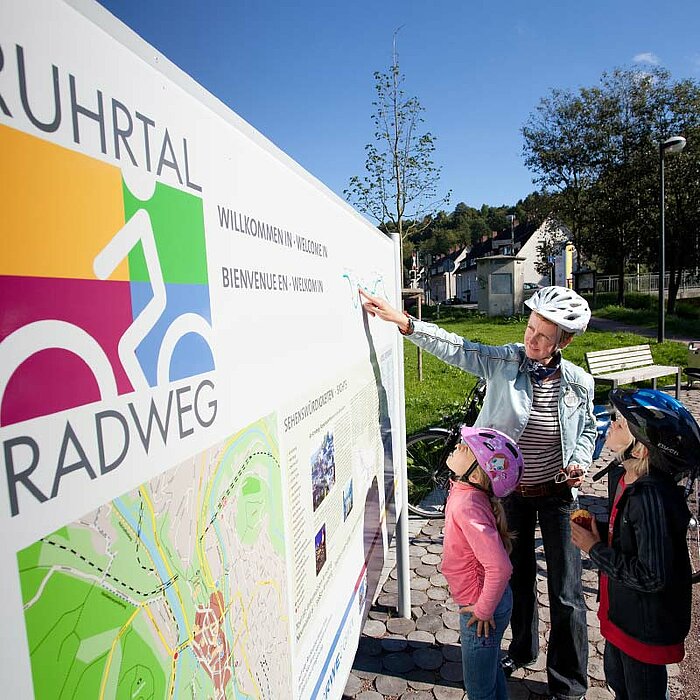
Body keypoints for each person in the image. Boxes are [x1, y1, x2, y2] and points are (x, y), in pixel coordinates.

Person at [360, 285, 595, 700]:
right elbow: (461, 348)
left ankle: (569, 682)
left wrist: (578, 459)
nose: (531, 340)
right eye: (530, 328)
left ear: (566, 341)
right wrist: (408, 324)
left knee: (567, 592)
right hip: (510, 496)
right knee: (518, 578)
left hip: (558, 495)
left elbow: (587, 431)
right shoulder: (507, 363)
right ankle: (522, 650)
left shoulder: (578, 382)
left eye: (543, 336)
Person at [571, 388, 698, 700]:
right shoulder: (624, 476)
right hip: (621, 615)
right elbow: (629, 538)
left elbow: (651, 574)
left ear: (641, 450)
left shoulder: (651, 497)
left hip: (642, 628)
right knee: (619, 683)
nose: (613, 424)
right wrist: (599, 530)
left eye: (622, 424)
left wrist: (593, 548)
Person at [443, 426, 523, 700]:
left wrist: (483, 610)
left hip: (481, 611)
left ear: (476, 474)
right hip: (486, 603)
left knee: (479, 690)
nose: (460, 446)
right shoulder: (466, 492)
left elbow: (500, 567)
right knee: (490, 676)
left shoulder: (468, 505)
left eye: (468, 448)